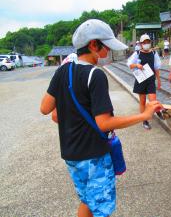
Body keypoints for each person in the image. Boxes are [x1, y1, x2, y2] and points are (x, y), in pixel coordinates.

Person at [40, 19, 162, 217]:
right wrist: (144, 115)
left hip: (70, 153)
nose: (107, 53)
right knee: (101, 210)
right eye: (106, 47)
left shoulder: (63, 70)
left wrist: (74, 117)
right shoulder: (95, 75)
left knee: (87, 200)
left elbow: (46, 109)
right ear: (93, 45)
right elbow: (103, 123)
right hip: (93, 155)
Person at [127, 34, 162, 130]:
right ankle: (144, 120)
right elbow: (129, 64)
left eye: (148, 42)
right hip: (141, 80)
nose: (146, 44)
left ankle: (157, 110)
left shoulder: (154, 53)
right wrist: (136, 65)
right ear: (141, 43)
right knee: (142, 101)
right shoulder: (137, 53)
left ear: (150, 42)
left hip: (151, 80)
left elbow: (157, 67)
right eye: (144, 42)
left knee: (153, 100)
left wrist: (159, 80)